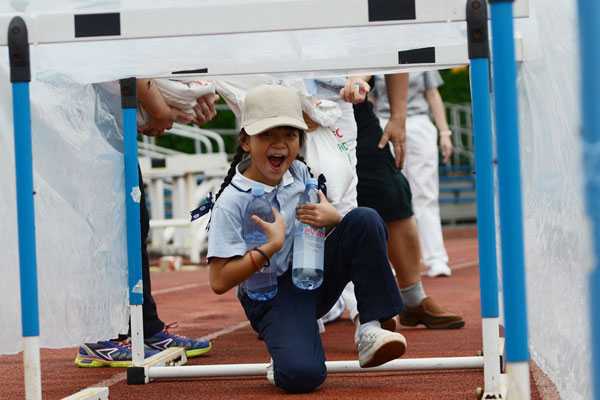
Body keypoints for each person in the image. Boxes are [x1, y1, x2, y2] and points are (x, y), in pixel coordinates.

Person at [207, 84, 407, 393]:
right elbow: (219, 281)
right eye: (268, 134)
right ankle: (285, 346)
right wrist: (268, 247)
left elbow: (325, 219)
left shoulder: (299, 172)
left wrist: (333, 219)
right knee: (302, 376)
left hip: (310, 275)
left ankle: (370, 328)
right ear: (245, 141)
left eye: (290, 134)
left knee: (364, 218)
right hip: (269, 294)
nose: (281, 144)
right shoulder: (231, 202)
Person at [75, 79, 216, 367]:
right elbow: (124, 62)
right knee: (108, 229)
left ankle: (144, 327)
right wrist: (160, 109)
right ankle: (99, 334)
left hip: (107, 121)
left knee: (133, 224)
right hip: (88, 123)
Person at [330, 74, 464, 330]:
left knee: (393, 192)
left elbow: (395, 49)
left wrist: (398, 117)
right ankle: (298, 312)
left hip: (355, 110)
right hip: (299, 107)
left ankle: (413, 300)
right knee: (304, 200)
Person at [370, 72, 453, 277]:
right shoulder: (373, 55)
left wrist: (445, 133)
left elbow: (432, 95)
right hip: (383, 123)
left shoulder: (420, 53)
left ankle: (436, 258)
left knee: (426, 193)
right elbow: (370, 99)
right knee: (386, 194)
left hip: (418, 122)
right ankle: (386, 260)